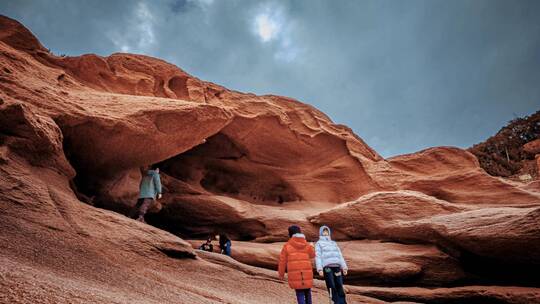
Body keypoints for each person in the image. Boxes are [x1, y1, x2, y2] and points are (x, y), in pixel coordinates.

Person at [278, 225, 315, 304]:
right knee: (308, 292)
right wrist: (312, 247)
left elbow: (282, 261)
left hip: (295, 275)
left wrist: (281, 274)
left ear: (290, 234)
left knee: (300, 293)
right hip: (307, 274)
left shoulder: (287, 246)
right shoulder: (307, 244)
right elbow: (312, 255)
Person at [315, 225, 348, 304]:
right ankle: (334, 302)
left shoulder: (333, 243)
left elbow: (340, 255)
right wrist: (319, 269)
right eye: (324, 231)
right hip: (327, 268)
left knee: (339, 285)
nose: (325, 232)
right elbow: (318, 256)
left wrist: (344, 267)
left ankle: (342, 302)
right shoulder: (319, 243)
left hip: (337, 267)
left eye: (327, 231)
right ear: (321, 233)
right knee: (331, 285)